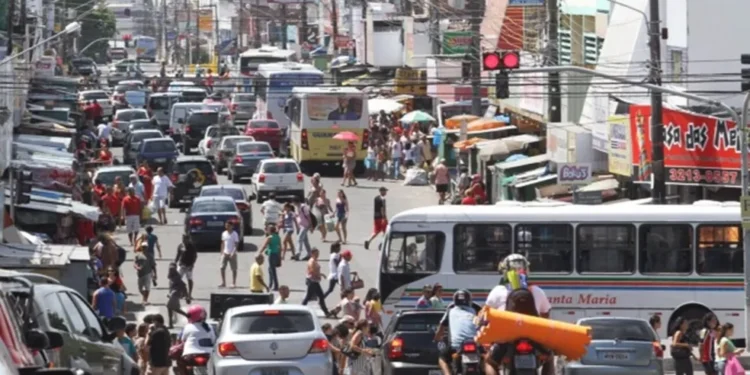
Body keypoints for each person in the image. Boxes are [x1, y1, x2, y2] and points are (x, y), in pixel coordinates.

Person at [484, 254, 553, 375]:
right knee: (549, 358)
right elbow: (546, 315)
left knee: (489, 361)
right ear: (527, 270)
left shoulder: (498, 291)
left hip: (506, 338)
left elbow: (487, 314)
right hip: (534, 337)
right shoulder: (537, 291)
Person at [434, 290, 482, 375]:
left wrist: (437, 338)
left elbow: (441, 327)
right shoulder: (475, 311)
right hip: (475, 343)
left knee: (442, 359)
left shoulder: (450, 311)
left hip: (456, 346)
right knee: (487, 360)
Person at [301, 248, 333, 317]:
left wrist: (321, 274)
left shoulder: (314, 261)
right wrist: (319, 275)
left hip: (314, 280)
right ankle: (326, 312)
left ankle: (326, 312)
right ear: (312, 254)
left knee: (318, 296)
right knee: (311, 296)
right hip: (312, 281)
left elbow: (315, 270)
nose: (317, 255)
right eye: (316, 254)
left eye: (318, 253)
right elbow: (312, 271)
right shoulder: (311, 261)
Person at [175, 234, 198, 301]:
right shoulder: (180, 246)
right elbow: (178, 255)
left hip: (189, 265)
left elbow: (195, 256)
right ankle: (181, 292)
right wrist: (175, 262)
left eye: (185, 239)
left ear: (189, 239)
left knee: (189, 279)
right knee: (178, 279)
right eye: (183, 239)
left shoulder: (192, 246)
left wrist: (192, 265)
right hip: (181, 264)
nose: (184, 240)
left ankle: (189, 294)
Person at [260, 225, 282, 291]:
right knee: (270, 270)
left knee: (272, 270)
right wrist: (280, 257)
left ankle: (276, 285)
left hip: (271, 255)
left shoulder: (269, 237)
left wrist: (259, 252)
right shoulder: (277, 237)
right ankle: (270, 284)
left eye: (267, 229)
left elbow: (264, 246)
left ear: (270, 230)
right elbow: (280, 247)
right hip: (276, 254)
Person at [220, 221, 240, 288]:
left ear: (232, 226)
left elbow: (236, 244)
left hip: (232, 254)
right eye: (226, 225)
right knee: (222, 268)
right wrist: (222, 252)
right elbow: (222, 243)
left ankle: (233, 283)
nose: (227, 227)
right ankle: (223, 282)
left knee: (234, 269)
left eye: (228, 225)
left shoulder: (235, 234)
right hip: (225, 253)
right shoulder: (224, 233)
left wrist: (233, 253)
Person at [293, 196, 314, 261]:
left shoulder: (303, 207)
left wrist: (311, 226)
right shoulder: (297, 207)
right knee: (305, 241)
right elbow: (297, 216)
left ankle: (298, 253)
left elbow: (308, 217)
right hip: (301, 225)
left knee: (299, 239)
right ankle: (310, 254)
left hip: (306, 225)